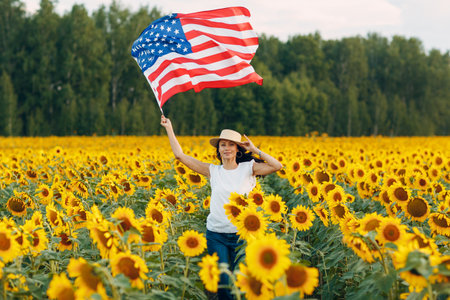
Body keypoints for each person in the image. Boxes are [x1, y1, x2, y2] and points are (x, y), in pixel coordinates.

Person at [160, 115, 282, 299]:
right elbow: (180, 155)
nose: (226, 148)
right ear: (218, 149)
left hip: (243, 236)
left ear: (237, 149)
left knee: (242, 283)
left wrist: (255, 149)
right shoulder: (213, 171)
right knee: (224, 283)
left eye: (231, 144)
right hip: (217, 235)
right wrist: (169, 128)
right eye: (223, 144)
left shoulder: (249, 168)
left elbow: (277, 166)